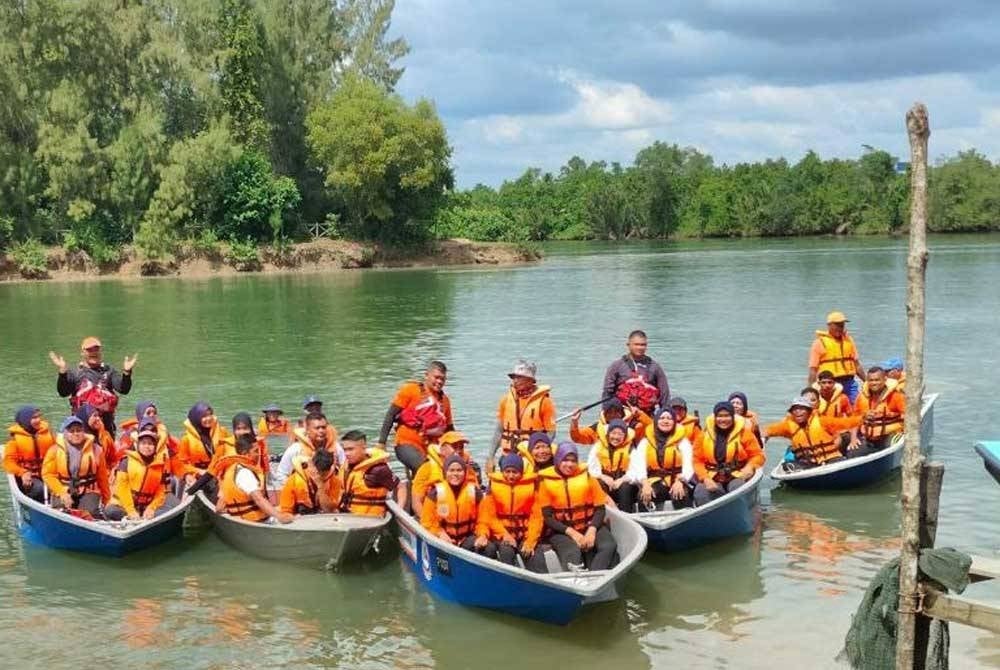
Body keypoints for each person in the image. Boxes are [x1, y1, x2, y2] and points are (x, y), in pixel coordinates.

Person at [538, 442, 617, 571]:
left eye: (573, 460)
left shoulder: (587, 476)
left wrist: (591, 531)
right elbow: (548, 518)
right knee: (572, 553)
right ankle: (575, 581)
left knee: (608, 546)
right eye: (565, 460)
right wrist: (573, 534)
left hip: (589, 524)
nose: (569, 464)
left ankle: (595, 577)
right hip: (561, 530)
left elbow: (600, 509)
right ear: (557, 459)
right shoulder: (545, 482)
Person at [376, 361, 454, 475]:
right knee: (424, 469)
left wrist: (456, 450)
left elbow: (450, 429)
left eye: (443, 379)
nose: (439, 382)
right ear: (427, 375)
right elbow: (391, 415)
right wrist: (381, 443)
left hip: (430, 448)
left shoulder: (445, 401)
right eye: (436, 377)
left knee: (451, 469)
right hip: (406, 443)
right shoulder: (410, 390)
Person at [50, 336, 136, 435]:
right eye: (89, 350)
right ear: (82, 352)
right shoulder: (75, 373)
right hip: (82, 429)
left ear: (100, 351)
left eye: (96, 349)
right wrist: (62, 372)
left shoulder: (109, 371)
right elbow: (63, 392)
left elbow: (123, 389)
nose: (93, 352)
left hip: (106, 427)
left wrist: (127, 372)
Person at [479, 453, 547, 572]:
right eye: (507, 471)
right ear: (503, 471)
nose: (511, 476)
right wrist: (505, 534)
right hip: (503, 535)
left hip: (524, 535)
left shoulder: (531, 487)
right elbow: (490, 516)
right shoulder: (493, 487)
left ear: (521, 472)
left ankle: (541, 584)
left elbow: (536, 518)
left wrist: (530, 541)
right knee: (506, 552)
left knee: (534, 555)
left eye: (515, 472)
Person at [421, 455, 496, 557]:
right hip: (443, 539)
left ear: (465, 472)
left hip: (467, 539)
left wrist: (482, 535)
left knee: (489, 548)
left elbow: (483, 521)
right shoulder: (434, 494)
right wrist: (439, 533)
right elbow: (427, 523)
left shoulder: (475, 493)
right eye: (451, 470)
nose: (455, 474)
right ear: (445, 472)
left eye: (459, 470)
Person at [692, 401, 765, 506]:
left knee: (737, 489)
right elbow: (697, 461)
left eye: (727, 416)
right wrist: (705, 478)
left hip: (737, 475)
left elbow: (758, 455)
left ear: (732, 417)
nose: (723, 420)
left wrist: (750, 467)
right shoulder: (703, 436)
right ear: (715, 417)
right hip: (713, 476)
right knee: (701, 492)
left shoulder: (744, 434)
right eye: (720, 416)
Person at [105, 420, 179, 521]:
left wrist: (151, 508)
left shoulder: (160, 464)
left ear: (155, 446)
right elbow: (122, 489)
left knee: (172, 509)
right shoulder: (126, 462)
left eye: (150, 444)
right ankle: (132, 519)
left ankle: (144, 518)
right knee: (110, 511)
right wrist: (131, 511)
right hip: (126, 505)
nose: (147, 447)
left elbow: (160, 491)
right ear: (138, 445)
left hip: (147, 505)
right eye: (143, 443)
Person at [489, 360, 555, 472]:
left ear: (530, 380)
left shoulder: (545, 401)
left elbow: (551, 432)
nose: (515, 380)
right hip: (509, 455)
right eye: (514, 377)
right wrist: (490, 457)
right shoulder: (505, 400)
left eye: (519, 377)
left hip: (532, 457)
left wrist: (540, 452)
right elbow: (499, 431)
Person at [763, 397, 861, 470]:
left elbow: (846, 423)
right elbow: (769, 430)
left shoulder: (822, 421)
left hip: (831, 459)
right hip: (807, 463)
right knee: (787, 466)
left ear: (809, 411)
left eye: (801, 409)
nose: (798, 412)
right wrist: (763, 436)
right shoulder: (788, 426)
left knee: (841, 463)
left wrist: (863, 419)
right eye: (795, 409)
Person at [42, 415, 111, 517]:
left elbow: (102, 478)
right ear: (65, 433)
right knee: (61, 511)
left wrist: (107, 499)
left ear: (84, 432)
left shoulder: (96, 450)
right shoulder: (54, 450)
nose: (76, 434)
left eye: (79, 430)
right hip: (63, 488)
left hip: (88, 490)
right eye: (72, 431)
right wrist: (62, 493)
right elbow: (48, 474)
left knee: (90, 513)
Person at [216, 434, 292, 523]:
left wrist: (232, 512)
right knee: (291, 515)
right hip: (257, 521)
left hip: (242, 519)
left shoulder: (232, 469)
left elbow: (219, 508)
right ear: (245, 453)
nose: (259, 454)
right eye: (255, 451)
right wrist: (280, 517)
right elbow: (259, 500)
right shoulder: (245, 473)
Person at [634, 408, 694, 510]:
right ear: (656, 421)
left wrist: (680, 481)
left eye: (669, 418)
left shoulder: (683, 442)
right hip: (654, 479)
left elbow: (689, 465)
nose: (665, 421)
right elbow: (639, 465)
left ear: (674, 422)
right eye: (662, 418)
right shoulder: (645, 442)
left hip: (677, 479)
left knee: (680, 494)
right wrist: (645, 484)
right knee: (643, 496)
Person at [411, 431, 480, 516]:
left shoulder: (468, 468)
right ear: (442, 449)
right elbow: (416, 502)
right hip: (433, 517)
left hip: (462, 518)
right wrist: (426, 524)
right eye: (454, 447)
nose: (458, 451)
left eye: (461, 447)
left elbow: (477, 496)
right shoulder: (427, 469)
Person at [602, 330, 670, 414]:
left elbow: (664, 394)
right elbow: (607, 392)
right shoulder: (616, 366)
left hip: (646, 414)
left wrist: (666, 413)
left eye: (643, 345)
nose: (640, 348)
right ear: (628, 345)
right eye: (636, 344)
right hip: (622, 414)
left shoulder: (655, 367)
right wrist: (606, 413)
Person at [339, 430, 403, 516]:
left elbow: (401, 487)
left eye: (351, 449)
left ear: (363, 447)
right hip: (347, 516)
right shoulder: (346, 467)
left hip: (371, 520)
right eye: (345, 450)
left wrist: (399, 511)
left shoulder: (378, 470)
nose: (347, 454)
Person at [808, 311, 866, 402]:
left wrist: (867, 382)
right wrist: (811, 390)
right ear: (829, 325)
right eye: (837, 325)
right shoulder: (819, 343)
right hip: (830, 384)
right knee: (834, 407)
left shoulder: (849, 340)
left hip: (850, 383)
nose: (840, 328)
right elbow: (813, 370)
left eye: (842, 325)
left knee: (856, 405)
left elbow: (857, 365)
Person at [275, 412, 342, 489]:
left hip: (329, 491)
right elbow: (281, 474)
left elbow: (344, 469)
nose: (321, 431)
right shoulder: (295, 449)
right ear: (307, 430)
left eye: (324, 427)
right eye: (317, 428)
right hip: (303, 491)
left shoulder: (336, 448)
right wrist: (294, 489)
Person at [586, 418, 639, 513]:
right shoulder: (598, 447)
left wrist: (622, 480)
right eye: (613, 433)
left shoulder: (631, 449)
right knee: (598, 484)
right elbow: (591, 469)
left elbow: (635, 472)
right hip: (606, 485)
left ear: (625, 436)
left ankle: (626, 515)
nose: (616, 437)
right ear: (608, 434)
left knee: (625, 487)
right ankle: (602, 512)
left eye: (620, 434)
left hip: (623, 486)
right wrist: (602, 476)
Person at [4, 406, 55, 502]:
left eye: (39, 417)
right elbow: (8, 463)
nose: (38, 420)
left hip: (49, 472)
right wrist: (23, 472)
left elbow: (58, 451)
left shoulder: (48, 433)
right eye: (34, 418)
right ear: (25, 420)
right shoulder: (15, 439)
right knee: (40, 490)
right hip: (30, 475)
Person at [853, 366, 906, 453]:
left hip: (890, 435)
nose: (874, 383)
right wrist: (853, 439)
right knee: (853, 452)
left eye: (877, 380)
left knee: (892, 445)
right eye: (871, 380)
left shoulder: (896, 396)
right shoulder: (861, 397)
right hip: (868, 437)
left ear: (885, 379)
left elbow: (909, 417)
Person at [278, 448, 341, 515]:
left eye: (324, 474)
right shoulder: (294, 480)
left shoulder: (334, 480)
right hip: (300, 519)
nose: (319, 477)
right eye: (318, 473)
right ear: (311, 465)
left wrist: (320, 487)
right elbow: (285, 510)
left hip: (323, 519)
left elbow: (329, 510)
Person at [177, 402, 229, 483]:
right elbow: (181, 464)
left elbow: (231, 451)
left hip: (220, 472)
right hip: (200, 476)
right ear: (196, 418)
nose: (208, 418)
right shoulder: (186, 439)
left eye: (210, 415)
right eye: (204, 416)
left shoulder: (222, 431)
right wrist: (198, 471)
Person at [570, 398, 651, 445]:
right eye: (609, 412)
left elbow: (653, 430)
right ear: (605, 414)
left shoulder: (635, 426)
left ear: (622, 413)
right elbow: (577, 438)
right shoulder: (598, 428)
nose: (613, 415)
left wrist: (639, 414)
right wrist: (574, 422)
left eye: (616, 412)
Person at [75, 403, 117, 471]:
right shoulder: (76, 440)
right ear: (85, 418)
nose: (98, 419)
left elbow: (113, 460)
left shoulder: (105, 436)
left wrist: (112, 472)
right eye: (94, 416)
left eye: (99, 416)